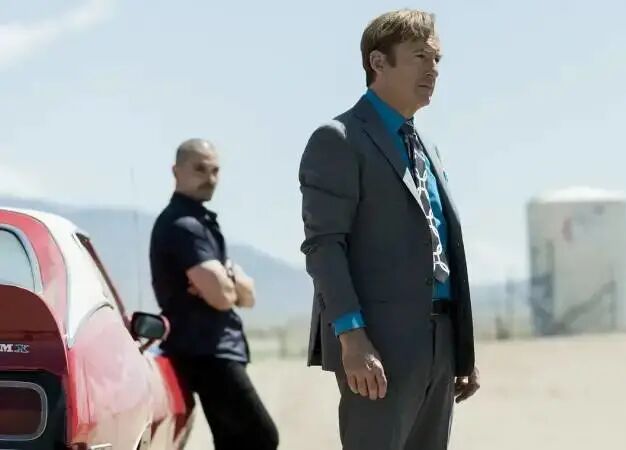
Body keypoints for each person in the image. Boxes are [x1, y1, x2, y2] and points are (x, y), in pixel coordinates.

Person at [298, 9, 479, 450]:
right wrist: (352, 337)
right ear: (378, 62)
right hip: (378, 345)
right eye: (420, 56)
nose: (433, 70)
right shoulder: (339, 138)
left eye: (437, 59)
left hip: (440, 345)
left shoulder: (427, 147)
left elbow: (440, 245)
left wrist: (461, 349)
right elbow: (325, 246)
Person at [149, 138, 279, 450]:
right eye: (199, 169)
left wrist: (227, 280)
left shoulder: (199, 223)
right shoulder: (183, 226)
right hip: (206, 351)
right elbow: (221, 296)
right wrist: (228, 282)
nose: (209, 178)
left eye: (215, 170)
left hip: (214, 349)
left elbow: (248, 296)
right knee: (260, 438)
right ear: (176, 171)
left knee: (236, 442)